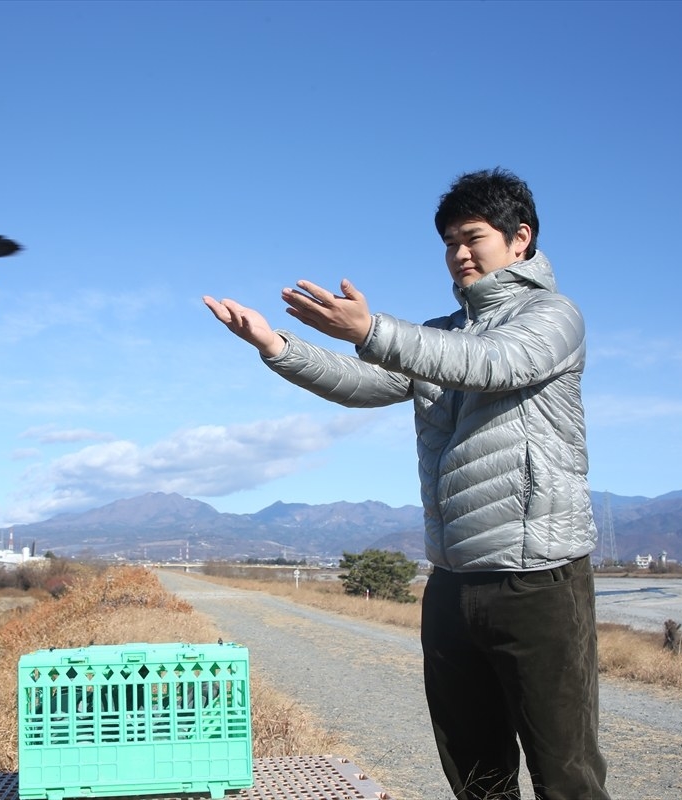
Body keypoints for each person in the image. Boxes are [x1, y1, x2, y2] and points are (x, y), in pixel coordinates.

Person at [203, 168, 609, 800]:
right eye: (449, 242)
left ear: (521, 238)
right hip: (451, 581)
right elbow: (367, 383)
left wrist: (373, 332)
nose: (459, 254)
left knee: (565, 770)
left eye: (472, 237)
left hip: (537, 579)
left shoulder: (553, 317)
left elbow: (495, 363)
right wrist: (277, 345)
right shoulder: (440, 335)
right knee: (473, 767)